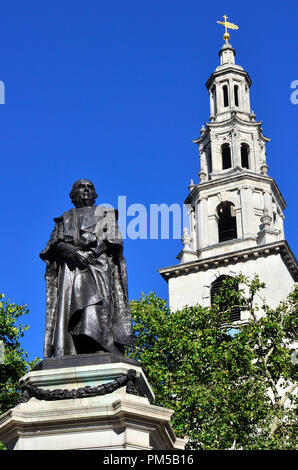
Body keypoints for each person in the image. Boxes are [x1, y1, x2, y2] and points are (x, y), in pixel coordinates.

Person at [40, 179, 134, 358]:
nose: (85, 190)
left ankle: (101, 345)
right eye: (81, 187)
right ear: (73, 195)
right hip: (72, 269)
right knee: (72, 310)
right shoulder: (64, 218)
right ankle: (74, 348)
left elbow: (113, 240)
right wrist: (75, 253)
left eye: (89, 187)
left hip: (98, 266)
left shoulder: (106, 213)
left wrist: (93, 252)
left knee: (98, 306)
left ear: (95, 194)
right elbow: (54, 245)